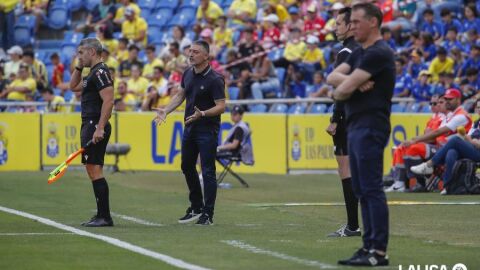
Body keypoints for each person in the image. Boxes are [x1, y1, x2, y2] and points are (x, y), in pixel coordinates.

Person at [327, 3, 394, 266]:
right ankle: (368, 247)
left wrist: (346, 86)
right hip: (356, 125)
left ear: (373, 23)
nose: (352, 27)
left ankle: (378, 251)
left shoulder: (377, 53)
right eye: (350, 23)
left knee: (370, 188)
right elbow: (333, 78)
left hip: (370, 125)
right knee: (361, 188)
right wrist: (348, 85)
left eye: (356, 22)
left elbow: (341, 89)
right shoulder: (359, 54)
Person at [154, 40, 226, 226]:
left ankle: (207, 214)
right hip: (190, 126)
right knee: (186, 166)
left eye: (195, 52)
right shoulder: (187, 73)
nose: (191, 54)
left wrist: (202, 113)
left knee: (208, 171)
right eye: (190, 51)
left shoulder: (215, 79)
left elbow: (221, 106)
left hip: (207, 129)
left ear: (206, 56)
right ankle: (196, 206)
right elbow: (180, 95)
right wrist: (166, 110)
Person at [69, 38, 115, 227]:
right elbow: (73, 87)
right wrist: (79, 67)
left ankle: (104, 216)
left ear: (92, 52)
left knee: (95, 169)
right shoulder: (92, 73)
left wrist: (100, 127)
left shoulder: (101, 72)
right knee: (92, 168)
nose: (79, 56)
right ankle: (101, 215)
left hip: (95, 124)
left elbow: (109, 100)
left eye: (81, 53)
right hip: (89, 124)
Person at [325, 7, 361, 238]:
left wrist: (335, 118)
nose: (335, 27)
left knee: (345, 168)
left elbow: (342, 88)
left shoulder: (345, 51)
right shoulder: (362, 49)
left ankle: (352, 226)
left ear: (350, 26)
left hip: (346, 116)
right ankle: (354, 225)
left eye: (338, 23)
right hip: (360, 116)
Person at [412, 100, 480, 195]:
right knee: (452, 151)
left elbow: (473, 140)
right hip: (473, 148)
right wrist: (468, 138)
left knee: (455, 140)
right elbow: (469, 137)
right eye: (477, 107)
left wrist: (474, 141)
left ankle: (429, 165)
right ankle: (448, 186)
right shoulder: (476, 123)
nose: (479, 109)